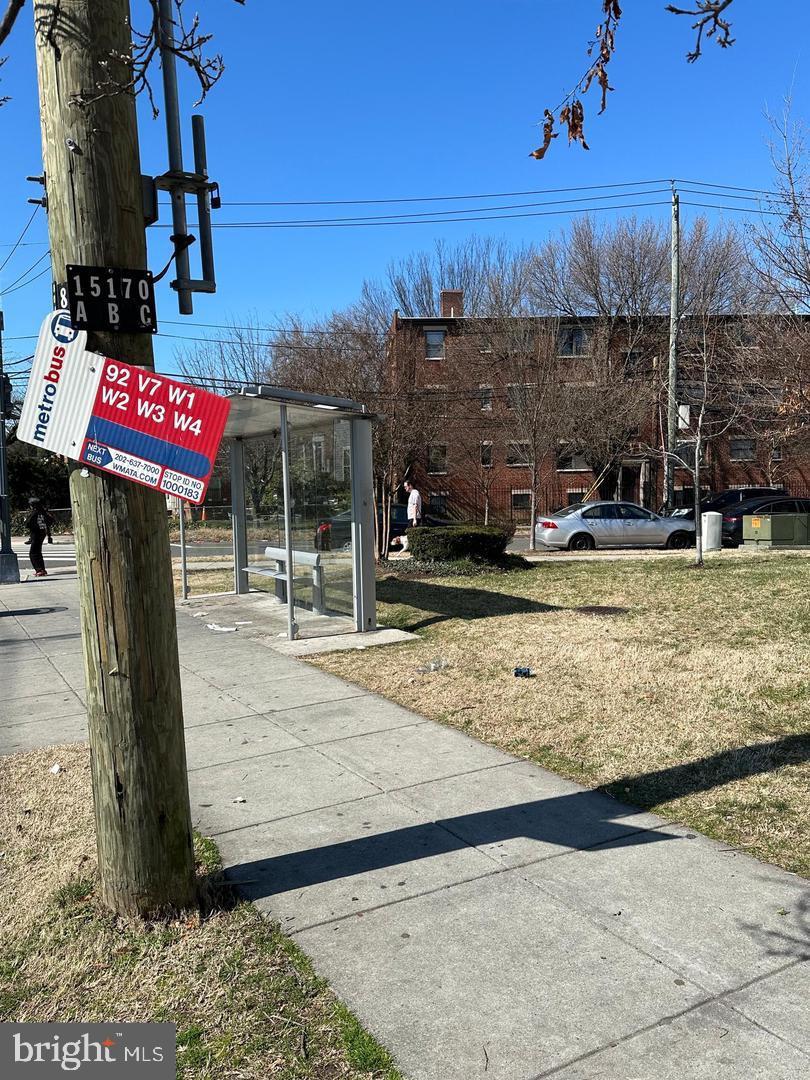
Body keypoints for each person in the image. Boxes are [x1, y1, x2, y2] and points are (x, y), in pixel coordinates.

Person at [26, 498, 54, 578]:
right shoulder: (43, 512)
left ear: (33, 505)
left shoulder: (35, 512)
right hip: (42, 533)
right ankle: (42, 569)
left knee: (33, 553)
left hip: (36, 533)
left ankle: (39, 570)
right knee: (38, 552)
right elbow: (50, 521)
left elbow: (28, 523)